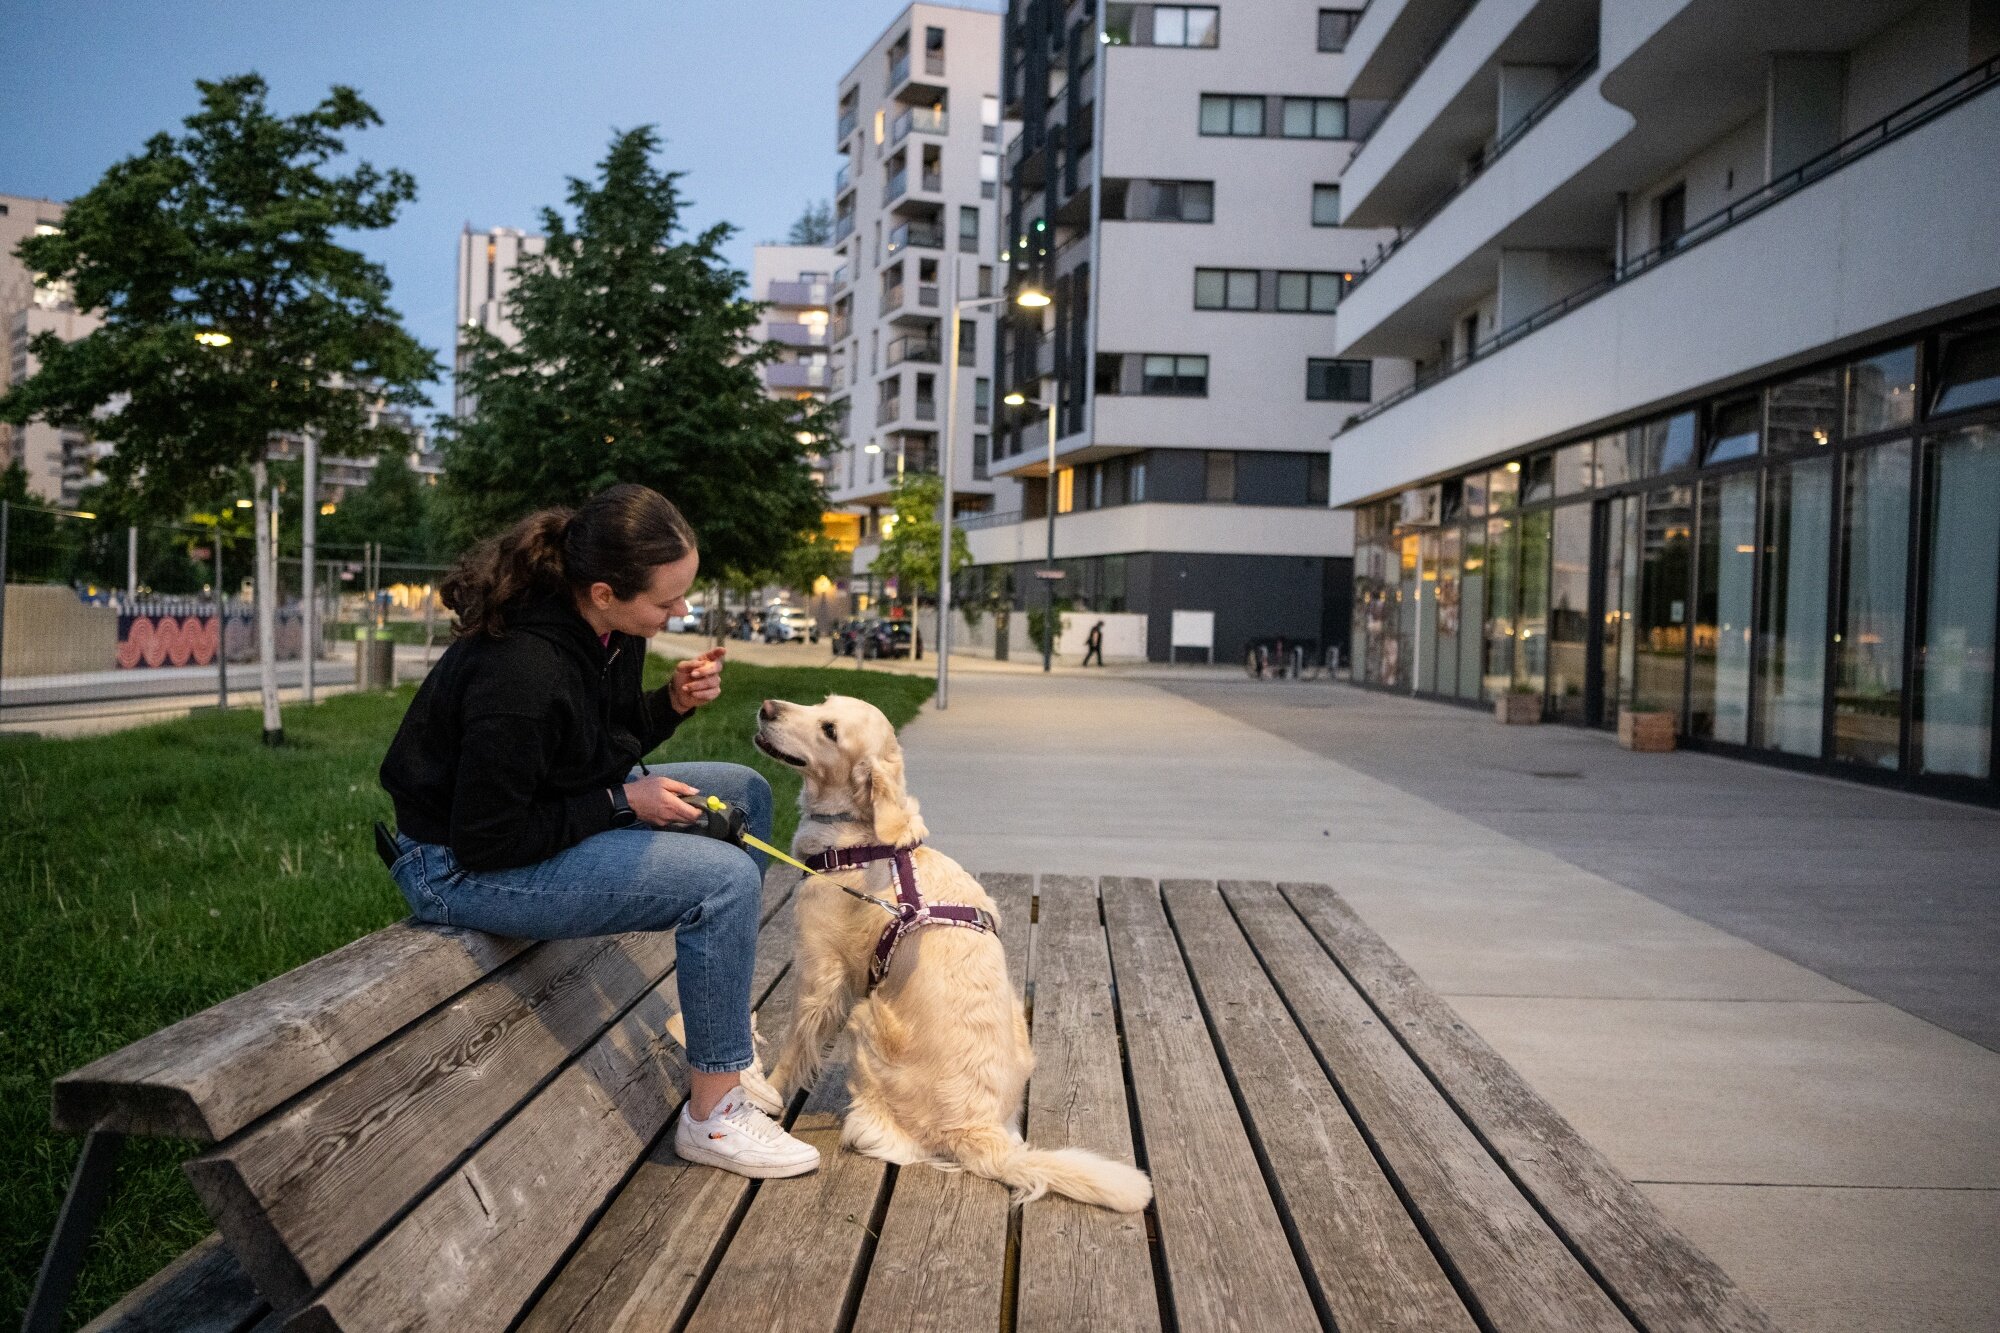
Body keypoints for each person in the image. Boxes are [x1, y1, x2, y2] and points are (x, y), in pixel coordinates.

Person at [378, 483, 818, 1179]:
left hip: (540, 812)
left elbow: (597, 747)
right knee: (726, 881)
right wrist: (623, 802)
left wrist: (668, 704)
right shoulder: (520, 669)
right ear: (606, 590)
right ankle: (714, 1116)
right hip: (456, 864)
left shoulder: (609, 632)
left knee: (745, 792)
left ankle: (716, 1034)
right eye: (667, 601)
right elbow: (487, 838)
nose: (680, 612)